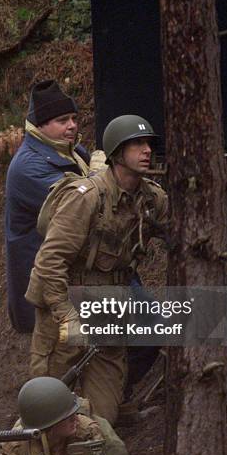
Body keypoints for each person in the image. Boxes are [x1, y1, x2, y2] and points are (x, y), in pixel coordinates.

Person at [26, 115, 168, 425]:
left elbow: (183, 238)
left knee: (105, 414)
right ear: (117, 153)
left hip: (109, 306)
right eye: (137, 144)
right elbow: (50, 260)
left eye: (149, 144)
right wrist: (66, 316)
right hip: (65, 302)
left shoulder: (151, 199)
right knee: (46, 405)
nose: (147, 150)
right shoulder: (87, 197)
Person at [5, 80, 90, 333]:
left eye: (74, 118)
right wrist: (102, 173)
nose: (72, 125)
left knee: (139, 337)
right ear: (40, 125)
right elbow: (80, 204)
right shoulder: (28, 167)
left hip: (77, 274)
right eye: (63, 120)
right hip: (49, 287)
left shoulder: (73, 151)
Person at [1, 376, 129, 455]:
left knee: (115, 450)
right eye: (66, 416)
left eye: (74, 412)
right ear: (48, 425)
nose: (75, 418)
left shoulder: (87, 430)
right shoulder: (17, 443)